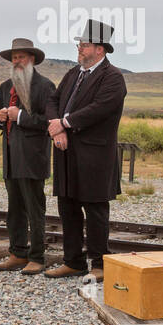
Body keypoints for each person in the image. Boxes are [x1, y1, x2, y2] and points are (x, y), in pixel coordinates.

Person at [44, 19, 127, 282]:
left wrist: (65, 123)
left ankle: (100, 264)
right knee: (67, 207)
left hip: (95, 156)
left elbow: (100, 108)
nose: (80, 48)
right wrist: (57, 129)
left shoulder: (112, 77)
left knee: (95, 210)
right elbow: (53, 101)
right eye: (79, 44)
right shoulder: (73, 74)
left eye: (85, 44)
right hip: (67, 153)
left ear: (100, 49)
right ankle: (73, 261)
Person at [0, 37, 59, 274]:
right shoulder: (4, 87)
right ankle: (17, 253)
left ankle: (37, 257)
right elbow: (1, 121)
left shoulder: (45, 86)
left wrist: (18, 115)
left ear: (32, 59)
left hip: (32, 158)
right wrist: (1, 119)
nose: (17, 61)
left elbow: (48, 122)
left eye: (21, 57)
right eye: (14, 58)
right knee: (14, 211)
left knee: (34, 210)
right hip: (10, 159)